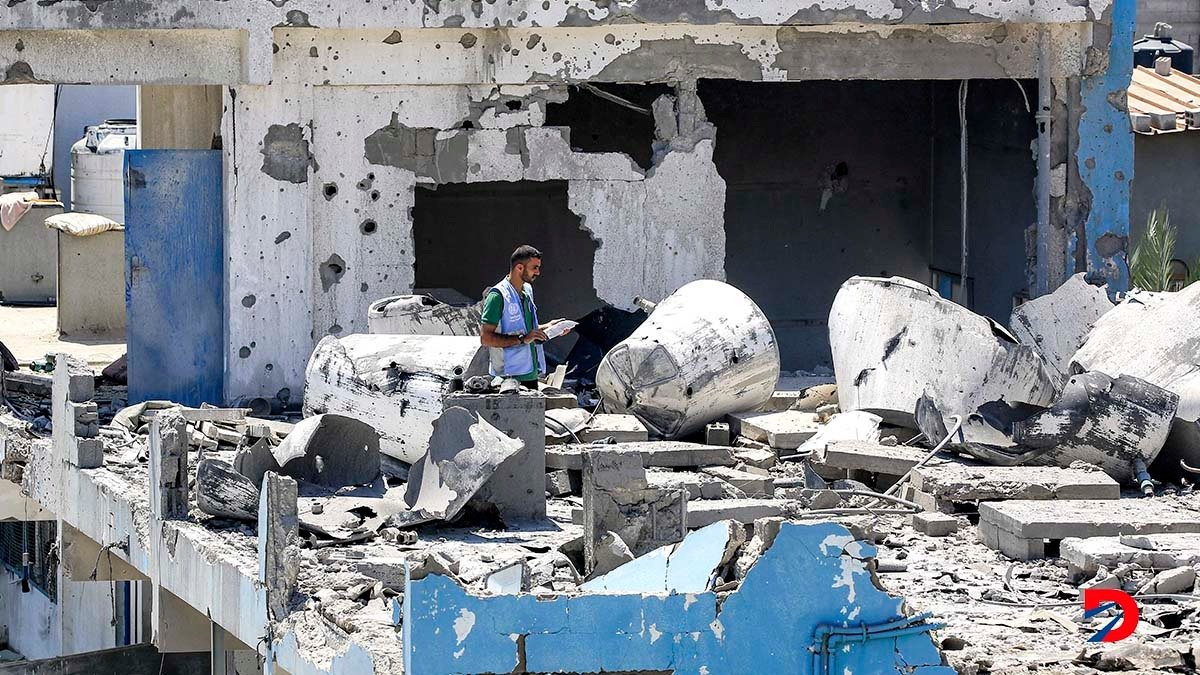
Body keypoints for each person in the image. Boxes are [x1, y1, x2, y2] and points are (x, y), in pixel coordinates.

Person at [480, 245, 569, 388]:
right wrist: (522, 339)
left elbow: (526, 330)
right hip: (508, 379)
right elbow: (486, 338)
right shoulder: (497, 296)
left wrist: (551, 327)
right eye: (534, 268)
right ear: (519, 268)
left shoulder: (527, 291)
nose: (538, 272)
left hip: (530, 374)